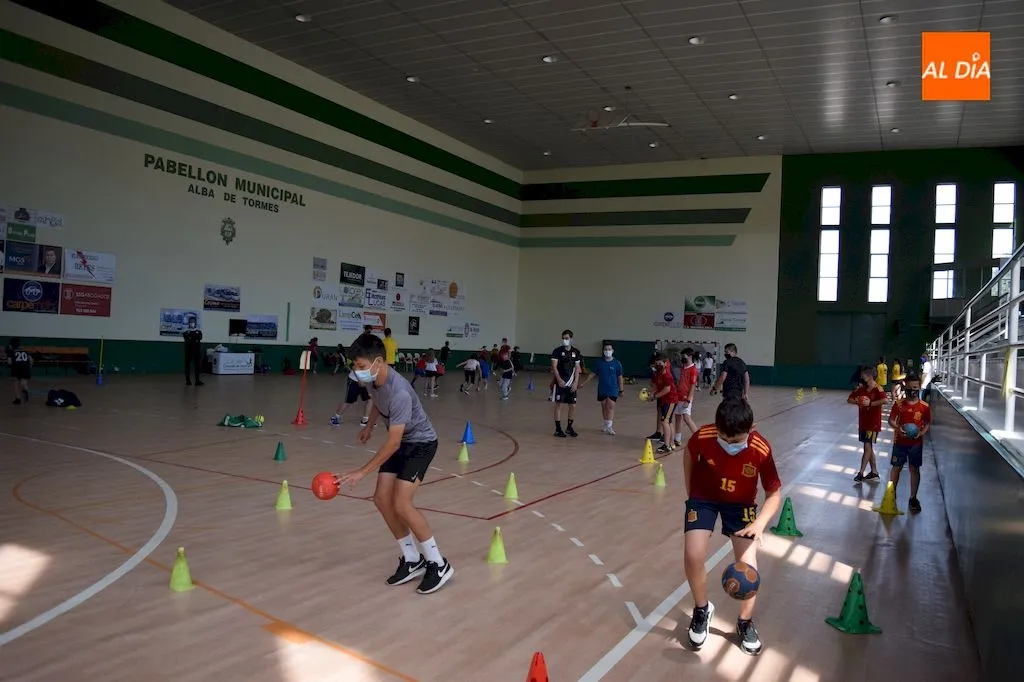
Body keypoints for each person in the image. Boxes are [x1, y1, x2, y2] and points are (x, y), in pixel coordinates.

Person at [333, 333, 454, 594]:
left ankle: (438, 563)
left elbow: (393, 443)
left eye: (361, 367)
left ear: (378, 362)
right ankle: (412, 560)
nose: (357, 371)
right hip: (401, 440)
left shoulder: (399, 392)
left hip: (420, 443)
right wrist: (370, 426)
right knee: (380, 498)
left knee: (401, 502)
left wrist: (362, 471)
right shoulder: (375, 380)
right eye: (355, 366)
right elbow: (378, 402)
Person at [683, 398, 783, 656]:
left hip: (741, 506)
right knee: (693, 555)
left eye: (736, 440)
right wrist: (691, 492)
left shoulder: (760, 448)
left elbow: (774, 493)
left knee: (748, 566)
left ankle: (745, 622)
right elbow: (689, 453)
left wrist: (760, 523)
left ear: (751, 428)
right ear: (716, 428)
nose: (729, 444)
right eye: (724, 438)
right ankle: (701, 610)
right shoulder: (703, 436)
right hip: (703, 499)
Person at [887, 373, 932, 513]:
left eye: (915, 387)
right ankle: (891, 495)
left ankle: (913, 498)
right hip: (900, 442)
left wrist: (921, 433)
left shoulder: (924, 407)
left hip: (915, 444)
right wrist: (897, 428)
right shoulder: (899, 404)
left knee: (914, 469)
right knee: (896, 468)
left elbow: (927, 423)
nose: (912, 390)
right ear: (905, 386)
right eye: (910, 387)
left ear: (919, 388)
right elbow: (891, 420)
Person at [847, 366, 886, 482]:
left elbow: (885, 400)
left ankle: (861, 472)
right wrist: (856, 401)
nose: (861, 377)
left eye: (863, 375)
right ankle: (874, 472)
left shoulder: (878, 388)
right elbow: (849, 399)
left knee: (867, 447)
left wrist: (870, 403)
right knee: (869, 447)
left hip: (873, 424)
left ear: (869, 376)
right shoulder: (862, 389)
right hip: (863, 423)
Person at [551, 329, 582, 438]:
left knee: (572, 405)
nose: (565, 340)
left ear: (571, 339)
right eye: (563, 338)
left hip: (571, 383)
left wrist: (576, 383)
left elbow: (578, 368)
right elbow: (554, 367)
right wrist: (558, 379)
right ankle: (558, 429)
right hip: (560, 382)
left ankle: (569, 427)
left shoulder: (576, 352)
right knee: (558, 405)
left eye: (567, 338)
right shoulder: (557, 351)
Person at [593, 342, 624, 435]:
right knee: (604, 405)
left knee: (610, 406)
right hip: (602, 388)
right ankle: (606, 424)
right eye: (606, 349)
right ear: (603, 351)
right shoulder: (599, 362)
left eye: (609, 349)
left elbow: (620, 377)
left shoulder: (617, 363)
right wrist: (583, 383)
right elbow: (593, 373)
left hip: (613, 388)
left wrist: (621, 389)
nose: (607, 351)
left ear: (612, 351)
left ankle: (610, 427)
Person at [650, 352, 678, 453]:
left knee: (665, 421)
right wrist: (650, 393)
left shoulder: (667, 375)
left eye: (660, 364)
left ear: (665, 363)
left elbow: (667, 389)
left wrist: (655, 396)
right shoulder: (657, 374)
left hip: (671, 400)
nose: (658, 366)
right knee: (669, 422)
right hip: (664, 400)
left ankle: (666, 445)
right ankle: (671, 443)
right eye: (656, 364)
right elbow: (655, 386)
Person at [673, 347, 700, 445]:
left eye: (683, 356)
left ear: (690, 356)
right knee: (677, 417)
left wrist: (688, 400)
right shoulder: (682, 367)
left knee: (686, 418)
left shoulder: (693, 370)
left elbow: (692, 386)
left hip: (686, 398)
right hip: (678, 396)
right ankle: (677, 438)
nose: (682, 358)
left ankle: (699, 438)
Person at [7, 338, 32, 404]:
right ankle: (25, 389)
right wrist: (29, 367)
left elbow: (9, 362)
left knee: (16, 382)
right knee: (24, 382)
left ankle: (18, 398)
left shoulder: (11, 353)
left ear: (11, 346)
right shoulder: (24, 352)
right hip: (26, 368)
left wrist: (10, 364)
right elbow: (31, 359)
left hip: (17, 367)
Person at [183, 317, 203, 386]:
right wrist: (194, 336)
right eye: (191, 321)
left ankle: (197, 381)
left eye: (193, 321)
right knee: (187, 366)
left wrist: (192, 336)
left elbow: (200, 337)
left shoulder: (198, 330)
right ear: (189, 322)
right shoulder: (186, 330)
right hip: (188, 351)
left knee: (197, 366)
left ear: (195, 322)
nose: (192, 323)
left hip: (196, 351)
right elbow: (186, 338)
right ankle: (188, 380)